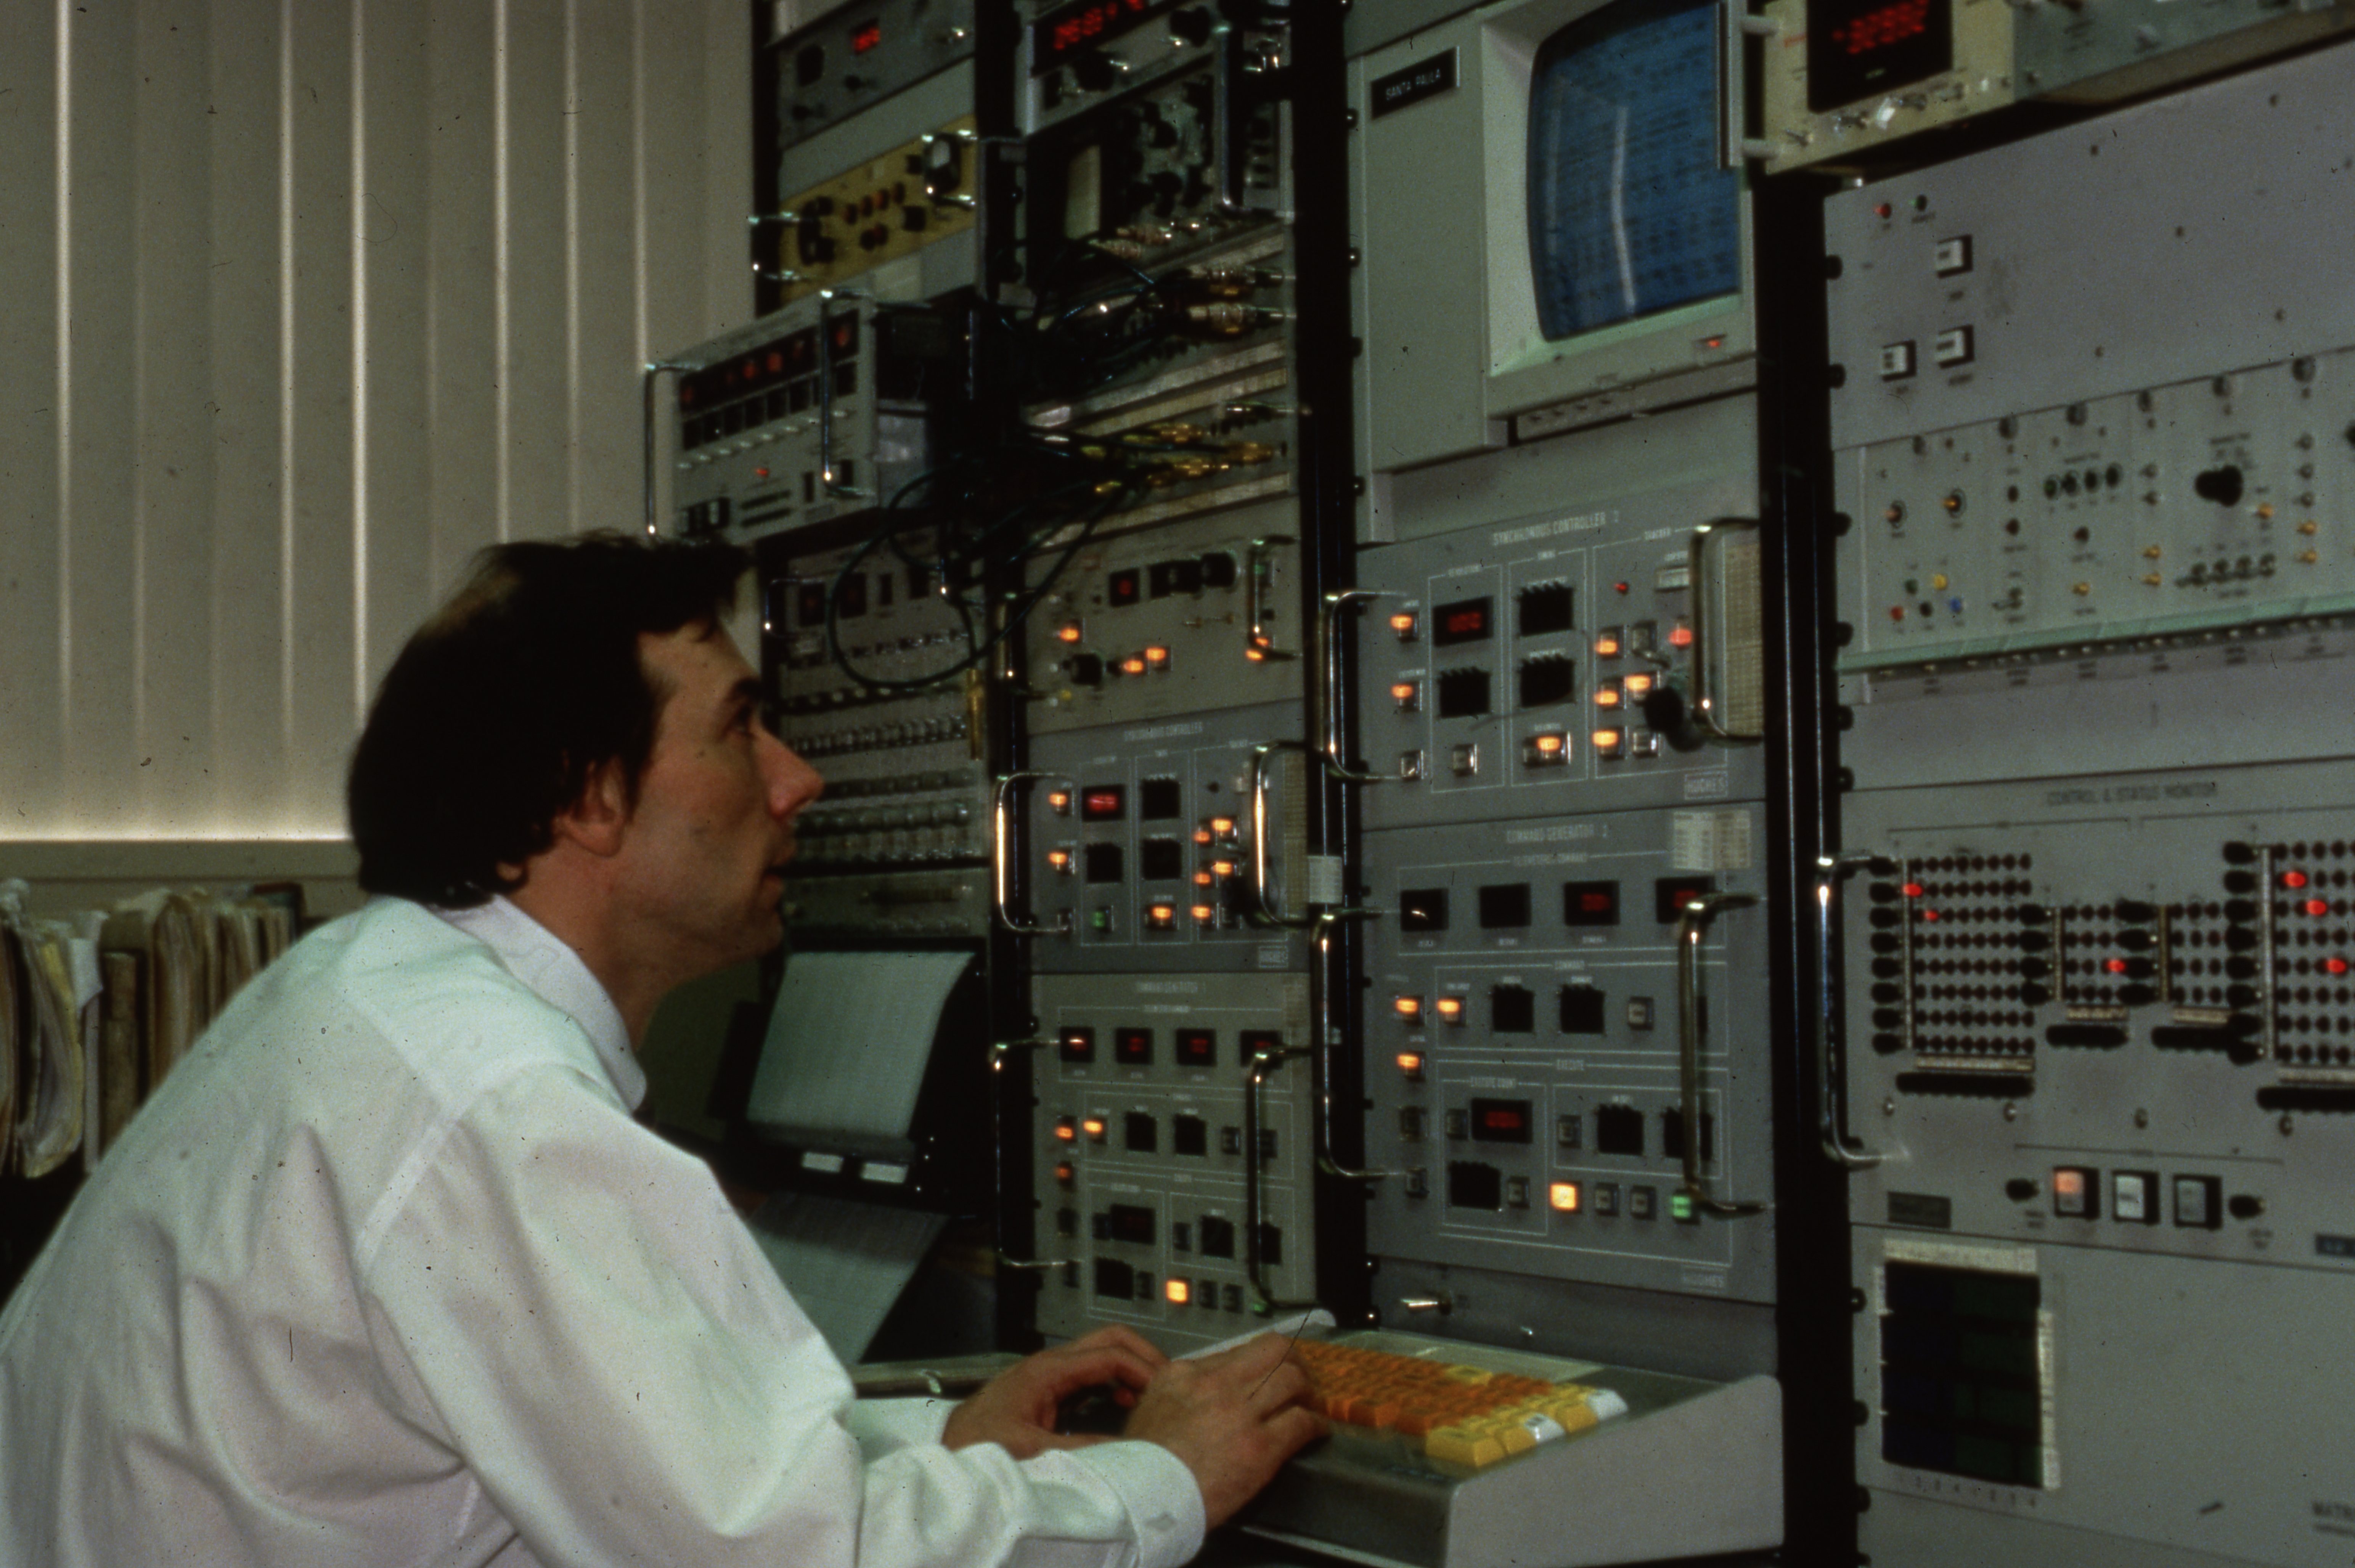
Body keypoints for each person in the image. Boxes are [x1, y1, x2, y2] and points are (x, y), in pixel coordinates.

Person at [0, 532, 1324, 1568]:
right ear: (589, 796)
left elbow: (626, 1468)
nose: (796, 779)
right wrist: (1160, 1480)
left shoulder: (368, 995)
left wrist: (938, 1435)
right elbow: (783, 1558)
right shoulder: (500, 1101)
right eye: (739, 727)